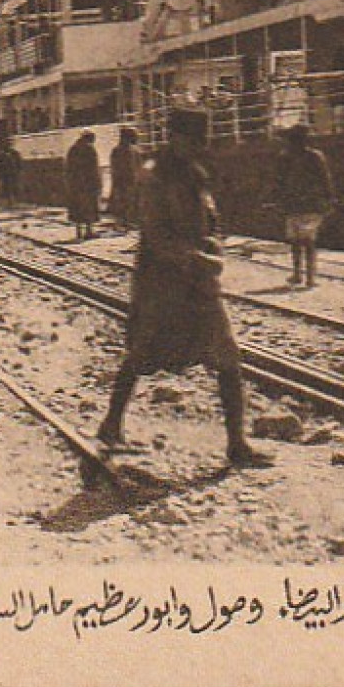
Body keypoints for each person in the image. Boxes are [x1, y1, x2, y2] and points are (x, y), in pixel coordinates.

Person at [95, 108, 273, 469]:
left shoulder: (195, 175)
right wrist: (194, 257)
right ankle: (111, 424)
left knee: (228, 357)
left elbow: (210, 223)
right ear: (175, 137)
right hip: (161, 283)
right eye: (193, 141)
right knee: (141, 352)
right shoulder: (153, 178)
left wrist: (213, 247)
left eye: (201, 142)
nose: (198, 147)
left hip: (198, 284)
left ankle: (237, 444)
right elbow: (155, 235)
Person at [270, 124, 335, 289]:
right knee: (310, 242)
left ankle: (298, 274)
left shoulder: (284, 157)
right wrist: (329, 200)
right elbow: (325, 180)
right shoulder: (315, 156)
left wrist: (277, 202)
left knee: (296, 242)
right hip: (312, 204)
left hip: (292, 204)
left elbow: (278, 182)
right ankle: (310, 278)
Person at [65, 130, 102, 241]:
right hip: (89, 184)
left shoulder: (72, 149)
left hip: (75, 184)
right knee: (89, 207)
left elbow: (68, 169)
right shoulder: (90, 149)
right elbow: (94, 169)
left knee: (77, 207)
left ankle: (79, 232)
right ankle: (89, 231)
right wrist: (98, 183)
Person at [109, 127, 142, 229]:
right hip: (128, 181)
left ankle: (123, 222)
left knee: (124, 202)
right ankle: (125, 222)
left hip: (123, 180)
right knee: (127, 202)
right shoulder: (132, 151)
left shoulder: (117, 150)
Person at [0, 139, 23, 207]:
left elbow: (19, 163)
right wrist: (1, 173)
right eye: (7, 144)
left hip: (13, 173)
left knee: (14, 187)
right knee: (7, 187)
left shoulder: (15, 153)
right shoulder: (2, 154)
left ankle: (15, 201)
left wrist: (19, 171)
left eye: (10, 144)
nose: (9, 145)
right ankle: (10, 202)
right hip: (6, 174)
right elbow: (0, 164)